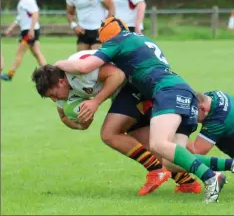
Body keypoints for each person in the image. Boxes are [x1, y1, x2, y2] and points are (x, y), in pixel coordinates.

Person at [54, 17, 233, 203]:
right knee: (165, 152)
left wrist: (58, 64)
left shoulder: (117, 41)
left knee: (151, 142)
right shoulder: (140, 38)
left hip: (162, 90)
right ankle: (217, 170)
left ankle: (206, 176)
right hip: (168, 87)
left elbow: (86, 66)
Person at [31, 50, 202, 196]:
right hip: (121, 93)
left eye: (53, 94)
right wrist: (81, 124)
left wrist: (95, 102)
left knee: (109, 133)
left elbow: (117, 74)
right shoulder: (62, 93)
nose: (54, 99)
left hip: (133, 83)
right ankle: (188, 182)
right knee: (149, 144)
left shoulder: (78, 70)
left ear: (61, 81)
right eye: (50, 98)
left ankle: (157, 171)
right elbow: (64, 117)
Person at [1, 0, 46, 81]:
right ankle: (49, 73)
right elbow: (20, 18)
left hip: (29, 31)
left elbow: (35, 14)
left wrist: (31, 30)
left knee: (19, 53)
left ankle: (10, 75)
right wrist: (11, 28)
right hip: (29, 30)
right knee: (37, 53)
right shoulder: (23, 1)